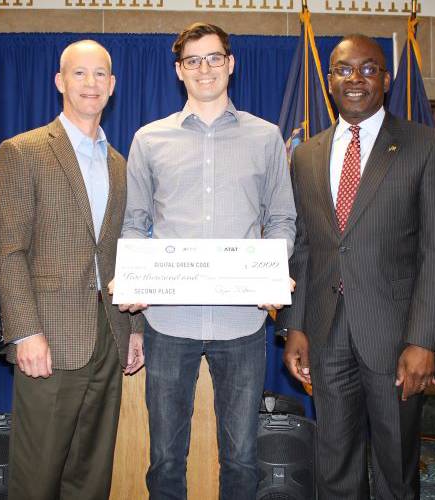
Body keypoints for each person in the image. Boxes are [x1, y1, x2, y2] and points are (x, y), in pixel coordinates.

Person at [119, 22, 296, 500]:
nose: (205, 69)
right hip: (167, 324)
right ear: (179, 71)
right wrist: (132, 278)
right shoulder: (148, 140)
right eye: (193, 60)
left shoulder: (266, 138)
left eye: (214, 57)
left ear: (230, 64)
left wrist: (272, 274)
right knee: (165, 459)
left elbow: (282, 219)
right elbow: (135, 221)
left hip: (243, 325)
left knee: (241, 458)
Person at [278, 34, 435, 499]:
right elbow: (303, 247)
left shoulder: (425, 145)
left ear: (386, 78)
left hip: (396, 337)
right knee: (334, 462)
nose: (355, 79)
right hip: (325, 333)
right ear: (329, 80)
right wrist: (295, 326)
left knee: (396, 466)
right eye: (343, 69)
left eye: (368, 68)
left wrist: (423, 340)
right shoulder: (307, 154)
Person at [0, 40, 144, 500]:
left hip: (109, 334)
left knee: (91, 473)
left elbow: (125, 251)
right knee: (37, 476)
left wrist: (134, 328)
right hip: (49, 338)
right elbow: (9, 249)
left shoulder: (120, 164)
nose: (90, 83)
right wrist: (25, 332)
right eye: (79, 73)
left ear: (113, 85)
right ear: (60, 81)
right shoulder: (25, 151)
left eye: (100, 74)